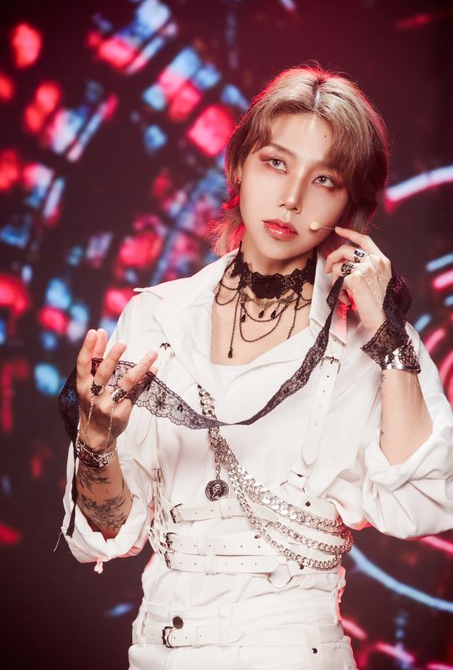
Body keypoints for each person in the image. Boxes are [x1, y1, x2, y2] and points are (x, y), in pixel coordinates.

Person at [59, 64, 453, 670]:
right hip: (159, 647)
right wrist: (95, 443)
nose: (291, 198)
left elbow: (426, 497)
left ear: (350, 204)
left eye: (324, 179)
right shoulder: (157, 316)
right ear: (239, 166)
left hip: (292, 649)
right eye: (275, 163)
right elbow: (105, 536)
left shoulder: (372, 333)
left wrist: (386, 331)